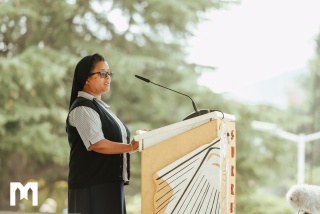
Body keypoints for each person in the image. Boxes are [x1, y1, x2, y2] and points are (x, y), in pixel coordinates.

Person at [66, 53, 139, 214]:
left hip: (109, 186)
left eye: (109, 73)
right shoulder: (82, 108)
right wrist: (131, 147)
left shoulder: (101, 108)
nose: (108, 78)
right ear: (86, 78)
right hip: (92, 189)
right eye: (102, 73)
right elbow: (97, 143)